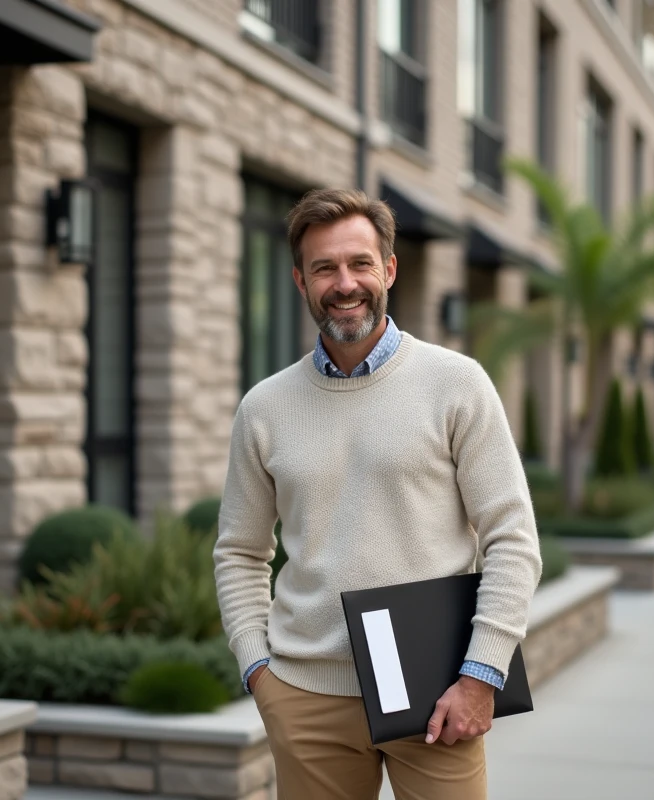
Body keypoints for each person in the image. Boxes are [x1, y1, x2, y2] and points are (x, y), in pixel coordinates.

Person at [213, 188, 542, 800]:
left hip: (436, 691)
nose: (345, 283)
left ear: (388, 269)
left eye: (360, 263)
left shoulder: (456, 384)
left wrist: (482, 674)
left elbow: (512, 538)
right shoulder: (264, 409)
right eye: (324, 268)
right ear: (299, 281)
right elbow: (239, 551)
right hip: (307, 698)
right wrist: (260, 672)